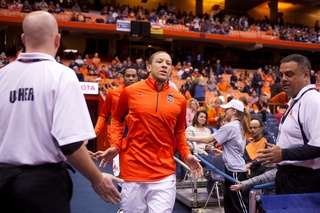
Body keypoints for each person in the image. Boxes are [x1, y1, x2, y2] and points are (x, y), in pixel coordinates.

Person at [0, 11, 122, 212]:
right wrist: (97, 179)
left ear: (23, 39)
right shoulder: (62, 75)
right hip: (42, 186)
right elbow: (70, 143)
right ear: (58, 40)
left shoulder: (2, 76)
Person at [96, 51, 203, 213]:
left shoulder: (179, 100)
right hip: (133, 171)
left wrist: (186, 155)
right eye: (160, 61)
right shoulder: (130, 92)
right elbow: (117, 119)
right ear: (148, 67)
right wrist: (116, 145)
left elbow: (180, 131)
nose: (165, 65)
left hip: (164, 173)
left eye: (168, 63)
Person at [256, 54, 320, 194]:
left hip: (304, 180)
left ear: (306, 74)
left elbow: (318, 146)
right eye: (282, 75)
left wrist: (283, 153)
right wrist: (276, 153)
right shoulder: (296, 100)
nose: (284, 79)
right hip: (289, 177)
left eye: (289, 74)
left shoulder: (313, 101)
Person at [188, 99, 251, 213]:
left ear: (234, 111)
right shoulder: (239, 126)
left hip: (235, 171)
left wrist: (187, 137)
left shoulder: (230, 126)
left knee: (238, 206)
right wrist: (223, 153)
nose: (225, 111)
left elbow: (208, 139)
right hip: (233, 169)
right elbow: (236, 149)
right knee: (230, 205)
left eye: (227, 109)